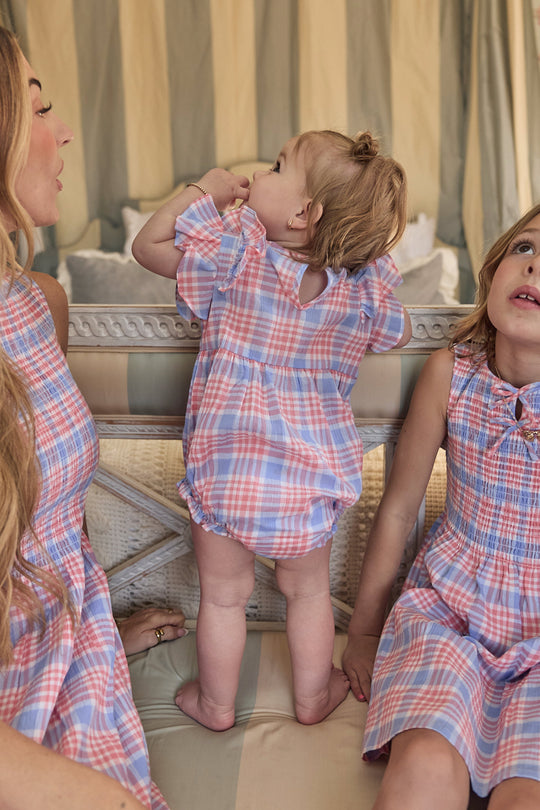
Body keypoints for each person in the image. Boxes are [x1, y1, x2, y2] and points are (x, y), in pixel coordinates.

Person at [132, 129, 412, 731]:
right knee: (307, 595)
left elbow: (147, 246)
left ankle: (215, 705)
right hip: (310, 476)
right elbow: (402, 333)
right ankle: (312, 698)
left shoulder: (236, 249)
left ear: (301, 212)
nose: (258, 172)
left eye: (277, 166)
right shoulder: (361, 290)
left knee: (224, 596)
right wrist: (360, 260)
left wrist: (202, 193)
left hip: (227, 469)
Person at [0, 27, 186, 809]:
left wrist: (93, 615)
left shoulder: (39, 304)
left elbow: (46, 514)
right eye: (38, 107)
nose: (65, 129)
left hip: (68, 655)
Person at [342, 203, 540, 809]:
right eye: (525, 249)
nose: (534, 271)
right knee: (424, 763)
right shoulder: (449, 374)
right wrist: (365, 629)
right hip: (448, 611)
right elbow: (399, 509)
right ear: (495, 267)